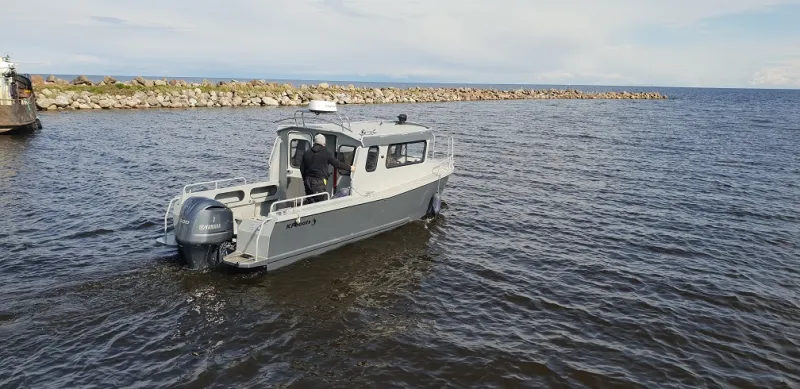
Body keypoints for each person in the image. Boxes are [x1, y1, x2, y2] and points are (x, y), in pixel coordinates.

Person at [300, 134, 355, 203]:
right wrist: (350, 168)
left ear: (314, 142)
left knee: (310, 201)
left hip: (307, 181)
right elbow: (337, 164)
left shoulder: (307, 153)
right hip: (319, 182)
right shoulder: (326, 153)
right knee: (321, 203)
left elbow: (301, 168)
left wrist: (305, 179)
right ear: (323, 143)